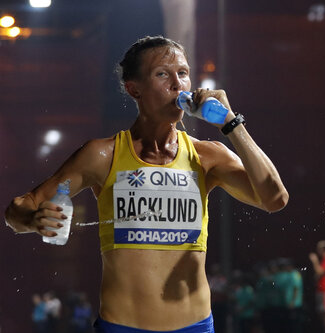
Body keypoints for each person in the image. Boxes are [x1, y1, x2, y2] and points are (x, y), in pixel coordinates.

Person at [4, 35, 288, 332]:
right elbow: (19, 210)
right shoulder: (103, 155)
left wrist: (231, 124)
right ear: (133, 89)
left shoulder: (207, 156)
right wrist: (33, 218)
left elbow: (274, 198)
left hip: (195, 326)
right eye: (163, 74)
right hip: (122, 327)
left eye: (183, 73)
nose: (178, 84)